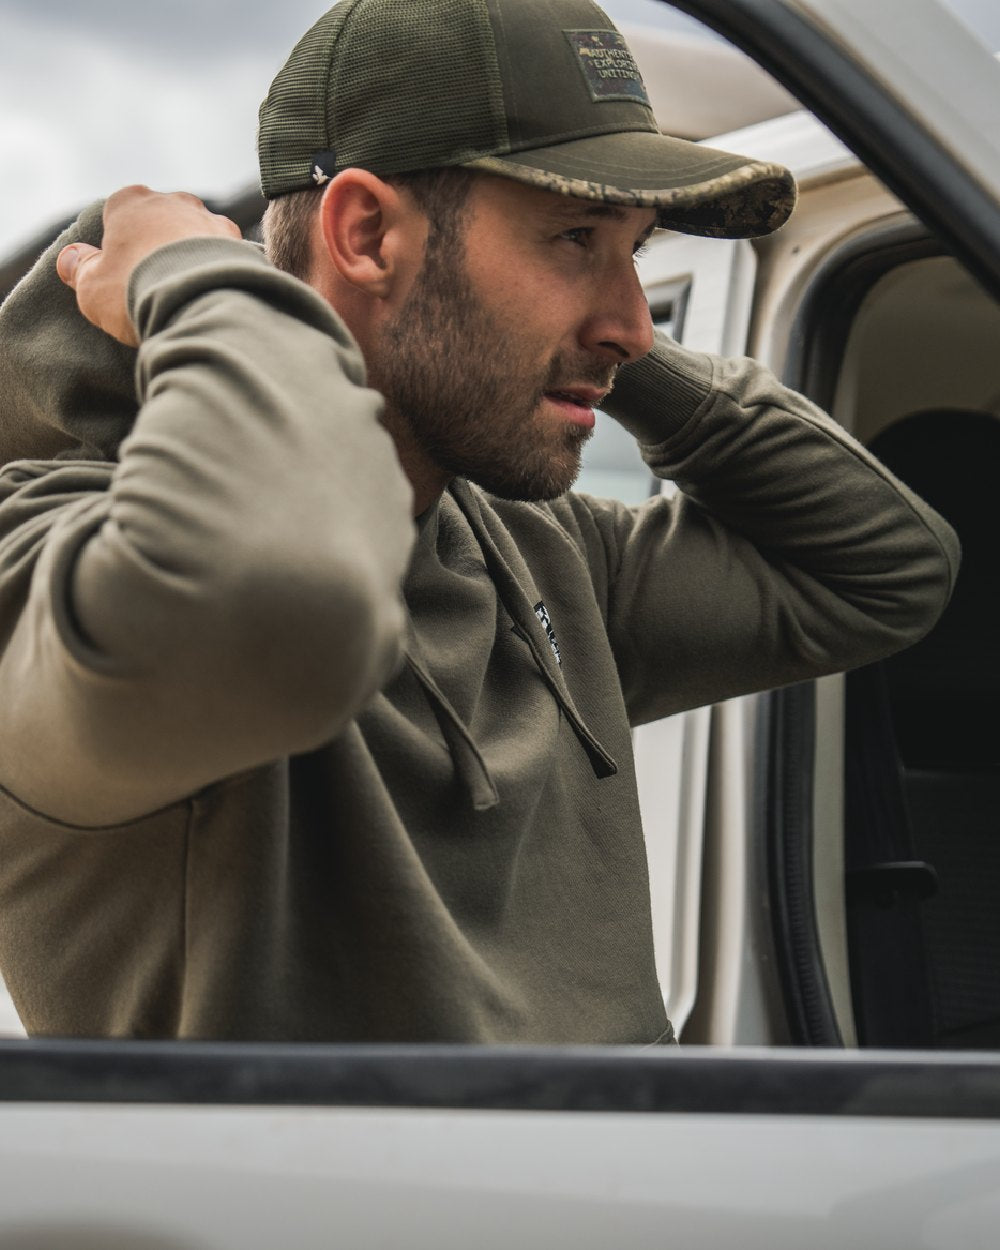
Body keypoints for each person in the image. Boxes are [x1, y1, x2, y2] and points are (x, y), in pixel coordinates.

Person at [0, 0, 957, 1044]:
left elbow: (884, 567)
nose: (632, 320)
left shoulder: (535, 551)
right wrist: (200, 281)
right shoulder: (55, 573)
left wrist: (590, 352)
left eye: (635, 250)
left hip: (648, 1198)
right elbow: (275, 596)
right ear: (362, 233)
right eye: (575, 238)